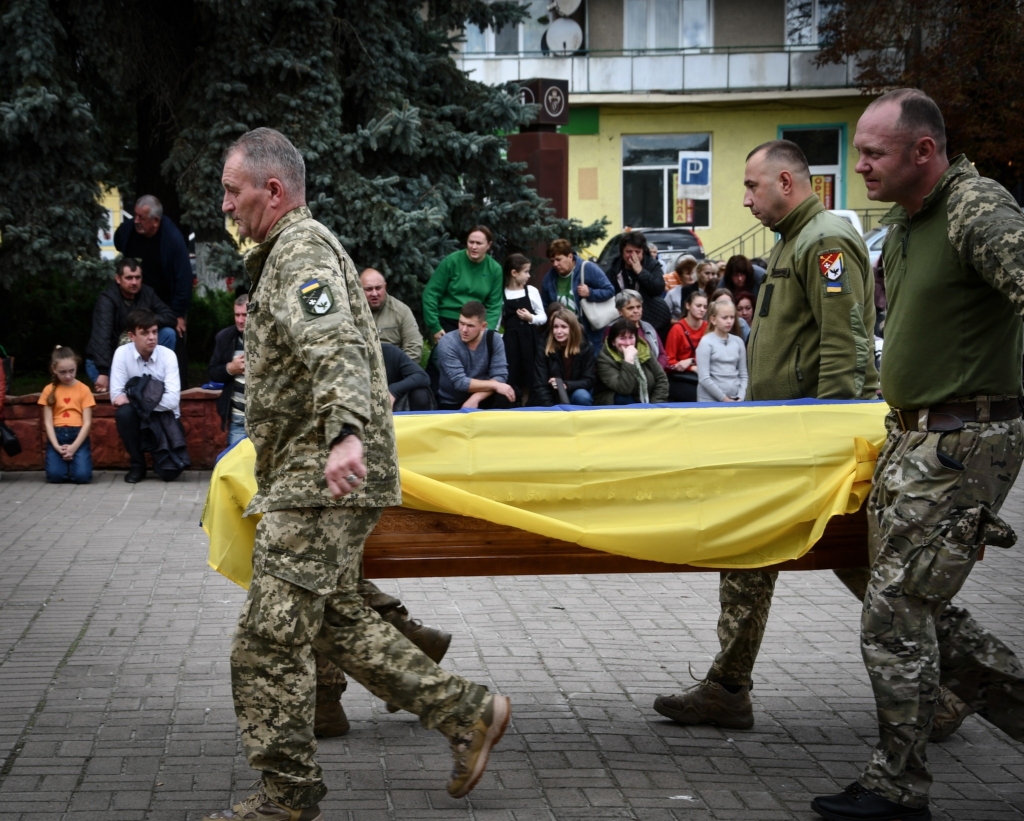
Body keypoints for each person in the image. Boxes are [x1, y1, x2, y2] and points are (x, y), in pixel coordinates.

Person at [207, 128, 510, 821]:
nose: (225, 203)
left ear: (272, 190)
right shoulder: (283, 252)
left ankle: (286, 797)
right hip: (309, 473)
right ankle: (467, 711)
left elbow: (338, 344)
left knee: (265, 640)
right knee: (331, 618)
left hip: (322, 476)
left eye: (233, 190)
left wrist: (344, 432)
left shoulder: (302, 251)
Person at [811, 89, 1024, 821]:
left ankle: (898, 786)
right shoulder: (905, 228)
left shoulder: (975, 209)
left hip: (963, 441)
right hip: (913, 438)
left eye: (873, 153)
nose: (858, 164)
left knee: (896, 613)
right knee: (900, 595)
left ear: (922, 152)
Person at [654, 139, 880, 738]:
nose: (747, 199)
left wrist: (833, 434)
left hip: (812, 443)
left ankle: (961, 678)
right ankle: (727, 689)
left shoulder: (824, 240)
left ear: (786, 181)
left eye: (753, 187)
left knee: (870, 567)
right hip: (782, 436)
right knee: (750, 557)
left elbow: (846, 344)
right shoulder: (791, 242)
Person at [109, 309, 188, 483]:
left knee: (169, 475)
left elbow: (173, 400)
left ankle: (159, 461)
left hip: (165, 417)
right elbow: (116, 395)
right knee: (124, 414)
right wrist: (146, 401)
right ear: (132, 336)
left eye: (154, 332)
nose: (151, 337)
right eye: (144, 333)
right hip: (138, 419)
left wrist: (135, 399)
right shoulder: (122, 354)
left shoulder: (168, 356)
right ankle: (138, 464)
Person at [85, 257, 178, 392]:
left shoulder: (147, 293)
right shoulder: (107, 299)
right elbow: (101, 338)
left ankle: (158, 376)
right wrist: (103, 372)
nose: (134, 282)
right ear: (118, 279)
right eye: (129, 278)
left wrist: (144, 321)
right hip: (106, 361)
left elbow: (170, 317)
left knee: (168, 333)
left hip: (137, 355)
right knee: (126, 393)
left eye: (138, 277)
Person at [113, 195, 192, 346]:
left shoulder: (172, 239)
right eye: (135, 215)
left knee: (172, 335)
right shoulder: (129, 230)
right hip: (135, 299)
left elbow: (184, 279)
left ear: (155, 221)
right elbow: (118, 241)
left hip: (166, 302)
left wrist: (178, 314)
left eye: (141, 217)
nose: (135, 220)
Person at [422, 226, 503, 342]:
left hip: (475, 324)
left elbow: (494, 305)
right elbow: (431, 293)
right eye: (471, 242)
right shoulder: (451, 262)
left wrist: (486, 331)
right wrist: (435, 326)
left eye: (479, 243)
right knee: (442, 357)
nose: (474, 247)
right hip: (448, 320)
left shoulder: (495, 269)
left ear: (488, 245)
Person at [540, 238, 616, 354]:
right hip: (563, 337)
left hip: (589, 334)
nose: (555, 264)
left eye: (558, 259)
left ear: (570, 257)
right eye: (552, 261)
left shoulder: (587, 268)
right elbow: (545, 306)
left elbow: (610, 290)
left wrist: (590, 293)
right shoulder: (549, 279)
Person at [435, 301, 514, 410]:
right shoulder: (448, 342)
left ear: (483, 326)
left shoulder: (493, 339)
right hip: (453, 401)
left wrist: (477, 397)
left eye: (470, 325)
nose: (464, 330)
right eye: (461, 323)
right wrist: (495, 385)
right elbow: (460, 382)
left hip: (484, 396)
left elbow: (501, 376)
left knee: (504, 396)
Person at [38, 346, 94, 484]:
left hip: (78, 436)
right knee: (55, 477)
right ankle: (64, 464)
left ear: (76, 366)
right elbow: (48, 422)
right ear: (54, 369)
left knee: (82, 477)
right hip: (57, 436)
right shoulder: (48, 390)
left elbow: (87, 423)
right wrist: (56, 446)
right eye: (62, 372)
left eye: (71, 371)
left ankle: (74, 463)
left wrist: (74, 447)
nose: (68, 376)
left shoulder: (84, 389)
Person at [603, 232, 671, 340]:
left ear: (643, 252)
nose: (633, 255)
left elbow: (658, 288)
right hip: (625, 320)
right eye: (629, 252)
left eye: (637, 252)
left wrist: (641, 272)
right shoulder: (614, 269)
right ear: (622, 252)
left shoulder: (651, 264)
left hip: (655, 319)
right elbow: (607, 291)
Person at [500, 253, 545, 404]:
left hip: (529, 340)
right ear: (514, 273)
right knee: (513, 375)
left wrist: (530, 318)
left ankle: (526, 404)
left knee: (529, 375)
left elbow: (543, 317)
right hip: (511, 343)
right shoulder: (502, 294)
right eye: (525, 272)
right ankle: (514, 404)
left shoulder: (531, 291)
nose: (528, 276)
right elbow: (498, 320)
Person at [594, 317, 668, 405]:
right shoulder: (604, 359)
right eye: (622, 338)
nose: (628, 343)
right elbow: (624, 389)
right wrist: (628, 360)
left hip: (647, 400)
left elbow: (661, 378)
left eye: (631, 337)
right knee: (624, 399)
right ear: (613, 341)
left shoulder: (644, 350)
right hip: (615, 400)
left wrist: (655, 405)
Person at [208, 294, 249, 447]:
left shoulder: (268, 339)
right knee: (236, 467)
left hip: (265, 418)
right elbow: (212, 372)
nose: (240, 320)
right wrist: (229, 369)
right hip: (238, 417)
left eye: (245, 315)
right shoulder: (225, 337)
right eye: (237, 315)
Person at [532, 309, 595, 406]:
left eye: (564, 327)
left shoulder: (586, 347)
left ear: (573, 328)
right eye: (555, 327)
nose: (558, 331)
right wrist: (553, 410)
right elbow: (540, 385)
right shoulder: (544, 347)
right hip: (551, 396)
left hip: (574, 392)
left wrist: (565, 385)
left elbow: (589, 380)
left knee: (582, 396)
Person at [360, 268, 423, 363]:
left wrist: (399, 371)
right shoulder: (350, 312)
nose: (374, 293)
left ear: (385, 287)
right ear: (359, 289)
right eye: (369, 289)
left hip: (394, 370)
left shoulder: (401, 311)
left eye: (378, 288)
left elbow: (414, 348)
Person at [695, 301, 747, 403]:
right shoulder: (706, 342)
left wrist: (741, 397)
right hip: (709, 402)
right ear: (713, 320)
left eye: (732, 317)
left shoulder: (739, 342)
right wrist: (725, 399)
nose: (729, 321)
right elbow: (704, 378)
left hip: (736, 399)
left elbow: (744, 375)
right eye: (725, 318)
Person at [663, 290, 708, 402]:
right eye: (698, 306)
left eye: (705, 307)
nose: (702, 310)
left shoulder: (708, 328)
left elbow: (714, 357)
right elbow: (669, 363)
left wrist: (691, 361)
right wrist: (692, 367)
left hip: (705, 375)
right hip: (681, 378)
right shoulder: (677, 329)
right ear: (688, 305)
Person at [606, 289, 667, 370]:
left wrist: (656, 371)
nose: (636, 311)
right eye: (630, 308)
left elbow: (662, 354)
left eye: (639, 307)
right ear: (620, 311)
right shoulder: (612, 329)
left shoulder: (648, 327)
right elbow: (610, 360)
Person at [382, 342, 433, 411]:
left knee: (420, 394)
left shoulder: (388, 351)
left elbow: (422, 376)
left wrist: (393, 390)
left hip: (392, 402)